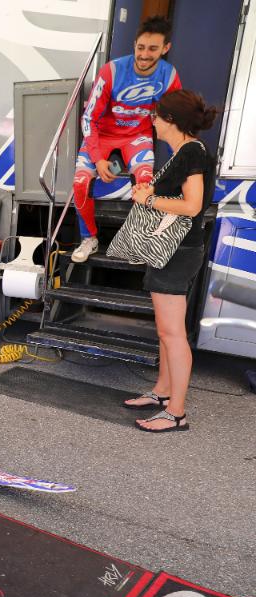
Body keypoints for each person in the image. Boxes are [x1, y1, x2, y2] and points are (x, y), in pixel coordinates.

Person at [122, 90, 218, 432]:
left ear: (171, 120)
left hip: (177, 251)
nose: (154, 121)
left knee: (173, 332)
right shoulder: (188, 151)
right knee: (166, 329)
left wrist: (148, 200)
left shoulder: (191, 151)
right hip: (172, 248)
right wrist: (151, 194)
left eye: (157, 116)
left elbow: (192, 206)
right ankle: (163, 392)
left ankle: (176, 412)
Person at [71, 16, 181, 263]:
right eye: (140, 47)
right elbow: (88, 118)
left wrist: (179, 152)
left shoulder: (169, 75)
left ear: (165, 48)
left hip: (137, 136)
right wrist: (98, 159)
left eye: (152, 48)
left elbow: (175, 117)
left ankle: (138, 242)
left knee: (145, 184)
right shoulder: (112, 70)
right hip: (103, 135)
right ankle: (89, 239)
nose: (144, 54)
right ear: (134, 44)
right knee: (80, 183)